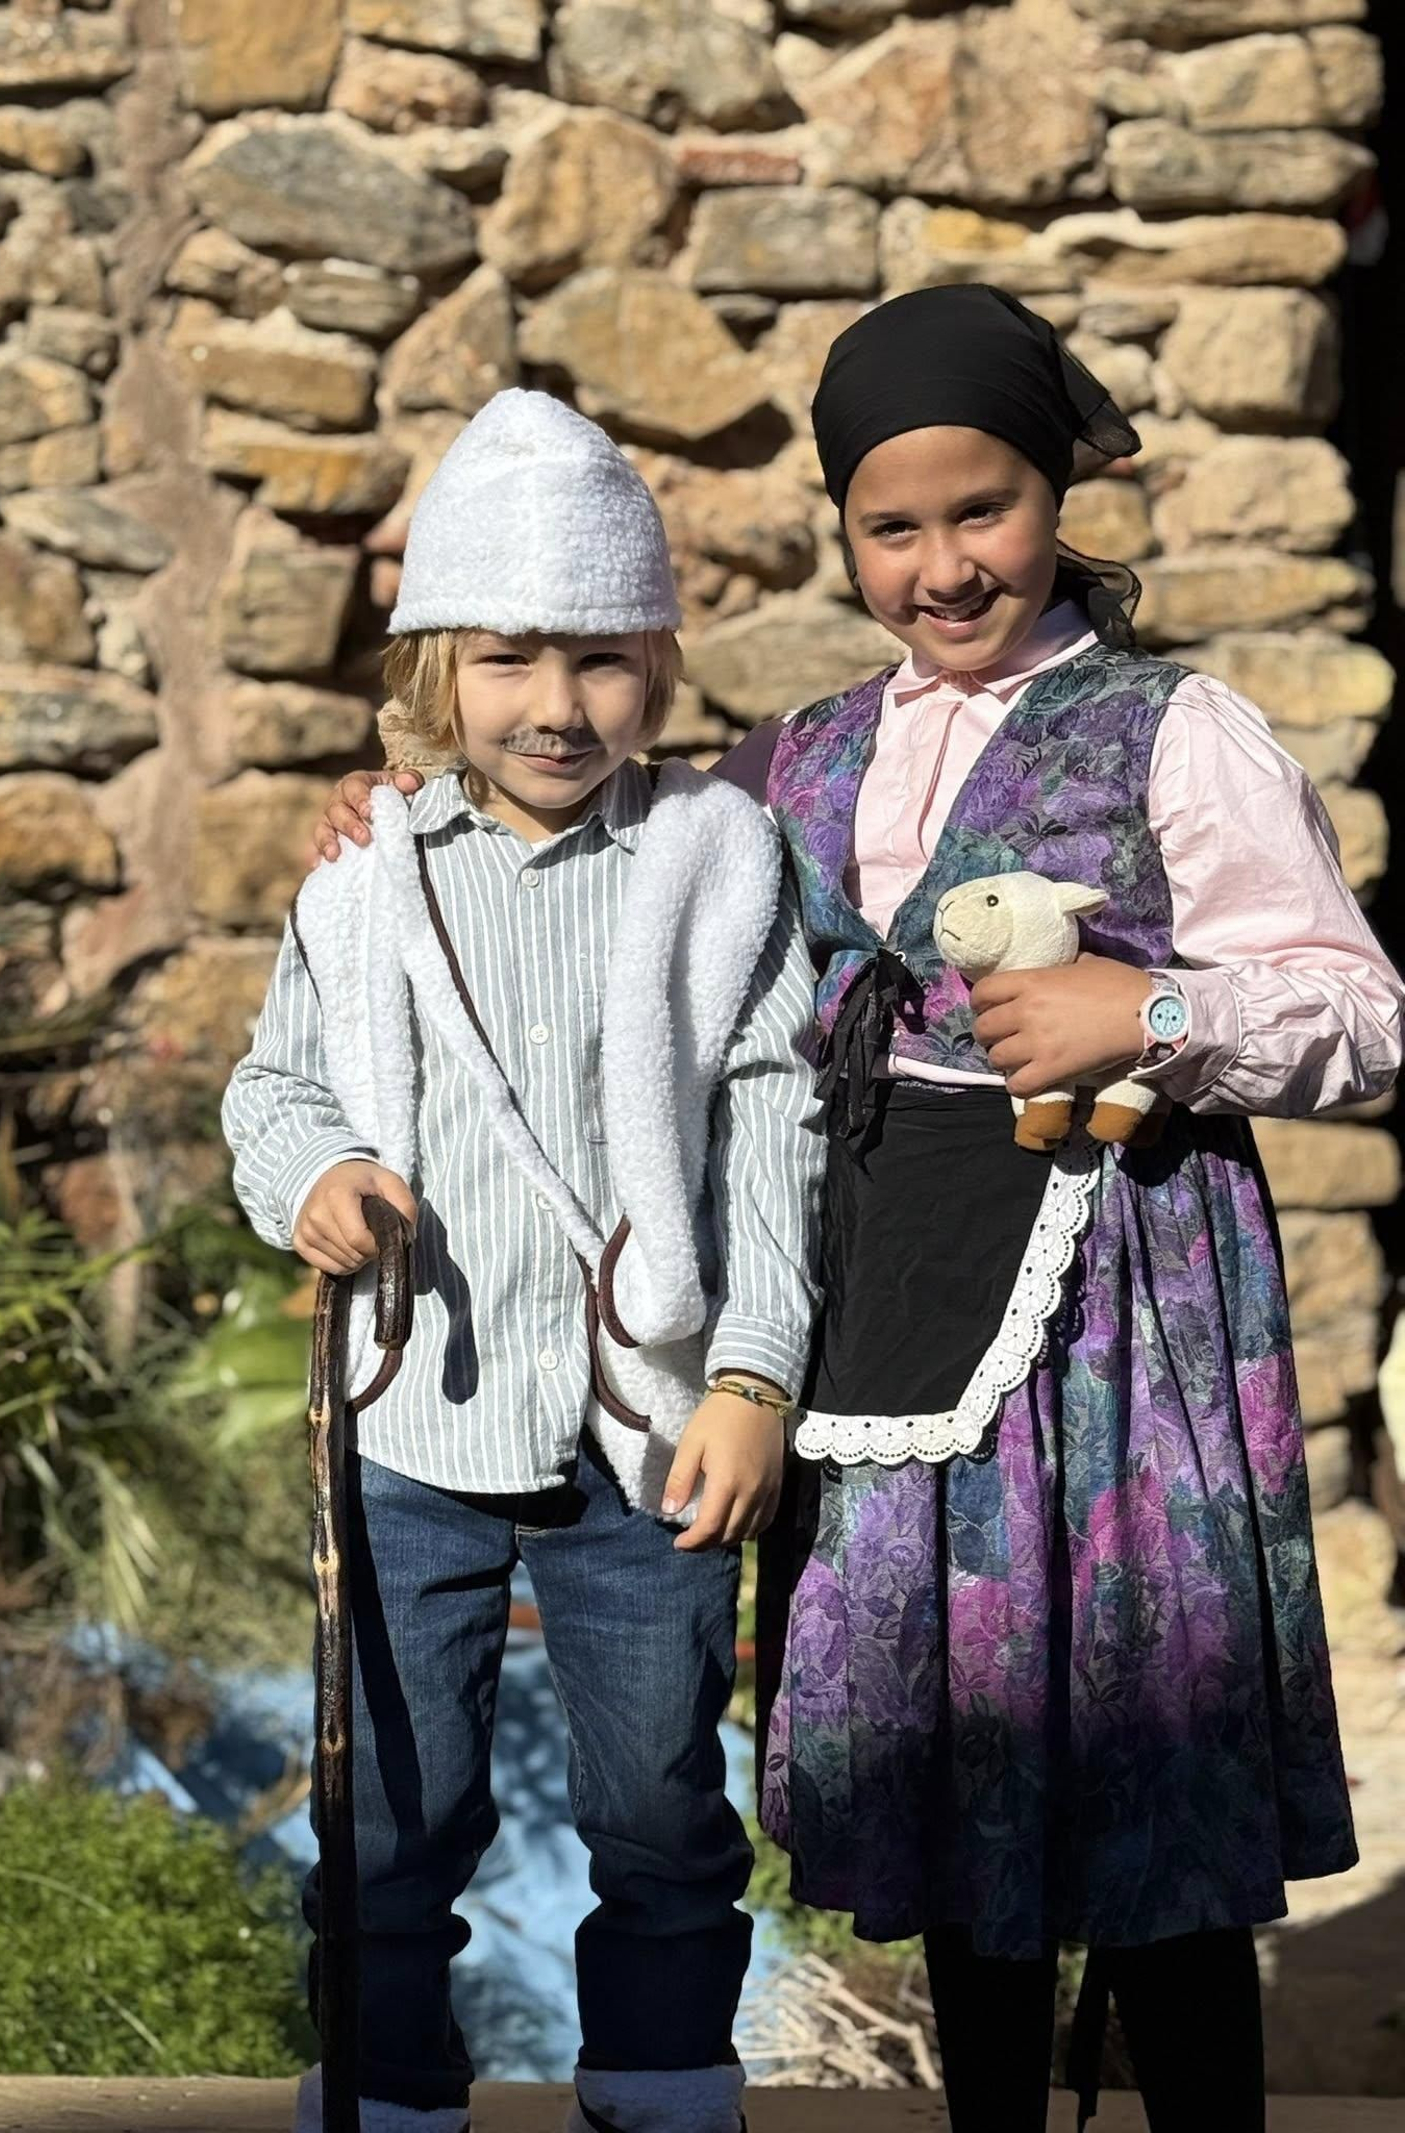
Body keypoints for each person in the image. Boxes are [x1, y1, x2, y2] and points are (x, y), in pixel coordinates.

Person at [314, 291, 1405, 2133]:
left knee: (1133, 1759)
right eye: (891, 529)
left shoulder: (1170, 730)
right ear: (843, 535)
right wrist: (394, 807)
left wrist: (1151, 1009)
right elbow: (595, 862)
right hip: (873, 1315)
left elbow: (1364, 1017)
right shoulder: (790, 764)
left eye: (981, 511)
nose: (943, 563)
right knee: (957, 1770)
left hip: (1113, 1325)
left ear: (1054, 497)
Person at [224, 388, 823, 2133]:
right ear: (435, 667)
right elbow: (280, 1082)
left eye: (604, 659)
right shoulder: (369, 878)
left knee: (656, 1803)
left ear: (660, 660)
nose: (558, 706)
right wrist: (320, 1170)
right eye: (509, 659)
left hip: (649, 1428)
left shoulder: (720, 861)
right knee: (393, 1809)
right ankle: (395, 2093)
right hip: (417, 1416)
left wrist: (753, 1374)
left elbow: (772, 1128)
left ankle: (655, 2085)